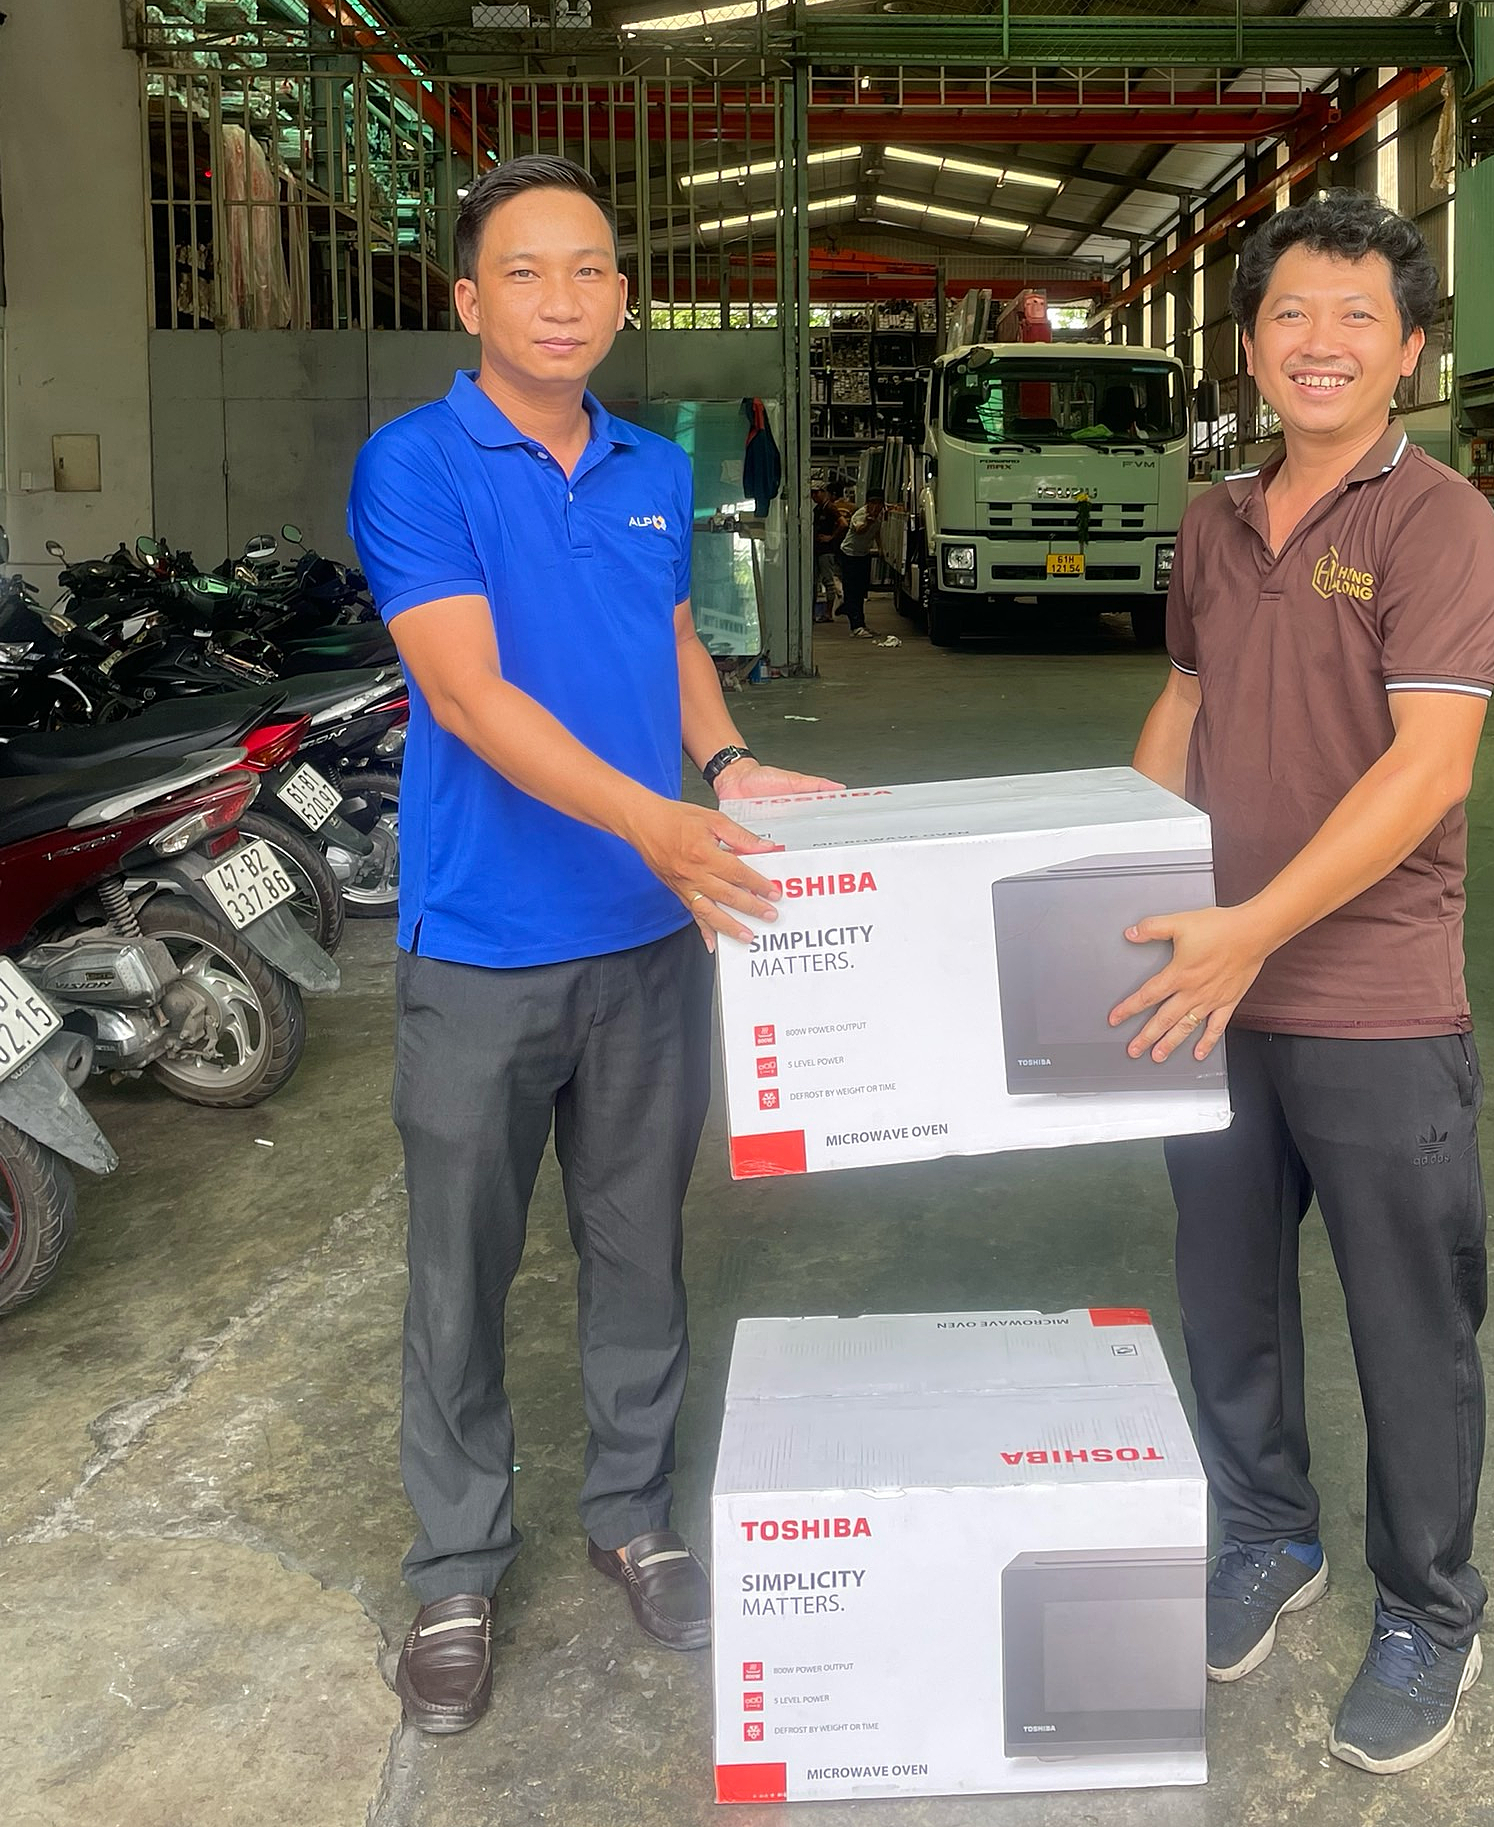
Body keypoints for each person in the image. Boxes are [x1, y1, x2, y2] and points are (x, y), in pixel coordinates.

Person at [346, 153, 837, 1736]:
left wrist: (726, 764)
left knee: (639, 1249)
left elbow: (672, 635)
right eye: (526, 271)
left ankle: (632, 1512)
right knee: (460, 1270)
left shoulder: (652, 466)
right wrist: (658, 825)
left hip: (646, 947)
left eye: (589, 271)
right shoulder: (417, 464)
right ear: (469, 297)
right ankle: (456, 1567)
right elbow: (469, 692)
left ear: (624, 297)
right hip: (485, 945)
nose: (561, 300)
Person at [1116, 190, 1494, 1775]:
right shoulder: (1212, 520)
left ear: (1410, 352)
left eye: (1360, 316)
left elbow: (1428, 768)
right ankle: (1268, 1531)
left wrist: (1254, 924)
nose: (1322, 341)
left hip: (1374, 996)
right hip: (1209, 987)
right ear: (1250, 342)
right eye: (1293, 311)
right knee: (1229, 1290)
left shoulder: (1442, 523)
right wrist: (1104, 883)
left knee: (1410, 1321)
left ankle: (1431, 1606)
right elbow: (1183, 704)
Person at [837, 487, 888, 637]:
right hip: (850, 554)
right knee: (852, 590)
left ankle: (858, 620)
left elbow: (877, 531)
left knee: (861, 589)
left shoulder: (880, 514)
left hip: (863, 554)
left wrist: (880, 547)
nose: (875, 507)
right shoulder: (861, 515)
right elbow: (859, 530)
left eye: (879, 503)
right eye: (872, 503)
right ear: (867, 503)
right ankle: (856, 626)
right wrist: (868, 522)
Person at [811, 479, 848, 622]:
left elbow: (843, 523)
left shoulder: (830, 508)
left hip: (826, 550)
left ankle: (828, 613)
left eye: (817, 493)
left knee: (828, 581)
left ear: (824, 493)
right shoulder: (818, 509)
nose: (814, 496)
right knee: (815, 581)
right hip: (817, 549)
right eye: (812, 494)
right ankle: (814, 613)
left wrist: (831, 537)